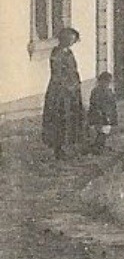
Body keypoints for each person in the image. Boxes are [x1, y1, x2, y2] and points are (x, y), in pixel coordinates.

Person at [42, 26, 84, 160]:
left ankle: (69, 146)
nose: (72, 42)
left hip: (71, 91)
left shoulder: (69, 53)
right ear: (63, 39)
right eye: (70, 39)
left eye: (73, 40)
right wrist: (68, 85)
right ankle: (58, 149)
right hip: (59, 92)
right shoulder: (57, 53)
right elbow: (57, 74)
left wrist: (76, 84)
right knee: (59, 118)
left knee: (72, 118)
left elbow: (73, 70)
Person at [86, 71, 118, 154]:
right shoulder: (96, 91)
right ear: (100, 81)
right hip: (99, 114)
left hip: (107, 114)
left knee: (106, 130)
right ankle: (97, 147)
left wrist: (113, 115)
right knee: (101, 130)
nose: (106, 84)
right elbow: (94, 103)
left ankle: (100, 146)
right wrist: (99, 112)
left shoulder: (109, 91)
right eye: (105, 81)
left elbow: (112, 104)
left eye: (108, 82)